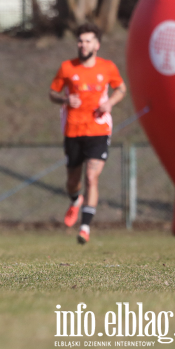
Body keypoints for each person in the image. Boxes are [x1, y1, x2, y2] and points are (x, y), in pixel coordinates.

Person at [49, 23, 126, 245]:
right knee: (73, 181)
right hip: (73, 130)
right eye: (80, 41)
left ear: (97, 45)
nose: (83, 45)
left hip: (98, 129)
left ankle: (84, 227)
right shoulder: (67, 68)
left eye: (88, 41)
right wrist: (65, 100)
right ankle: (75, 200)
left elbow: (121, 88)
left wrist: (110, 102)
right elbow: (52, 92)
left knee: (92, 176)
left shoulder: (107, 67)